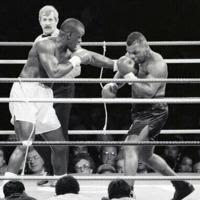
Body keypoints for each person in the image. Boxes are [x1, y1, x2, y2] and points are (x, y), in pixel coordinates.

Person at [5, 18, 116, 183]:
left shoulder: (69, 50)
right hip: (25, 93)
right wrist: (76, 60)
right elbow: (54, 72)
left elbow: (91, 57)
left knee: (60, 146)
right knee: (26, 144)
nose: (81, 41)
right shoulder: (44, 45)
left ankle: (61, 185)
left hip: (44, 95)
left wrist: (116, 65)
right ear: (69, 35)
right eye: (79, 37)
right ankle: (6, 188)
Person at [102, 32, 194, 200]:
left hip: (154, 111)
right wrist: (110, 88)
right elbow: (116, 84)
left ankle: (127, 194)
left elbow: (149, 92)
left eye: (135, 52)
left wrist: (129, 76)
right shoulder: (132, 59)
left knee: (130, 147)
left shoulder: (157, 63)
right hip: (138, 111)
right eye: (128, 52)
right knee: (146, 156)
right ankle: (181, 185)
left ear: (145, 46)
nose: (131, 56)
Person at [34, 5, 73, 175]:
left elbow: (77, 67)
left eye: (51, 19)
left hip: (62, 87)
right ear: (40, 21)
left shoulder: (65, 39)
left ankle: (62, 176)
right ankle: (51, 171)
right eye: (45, 19)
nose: (48, 22)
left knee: (60, 131)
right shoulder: (38, 40)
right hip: (43, 89)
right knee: (38, 131)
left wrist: (58, 72)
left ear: (56, 21)